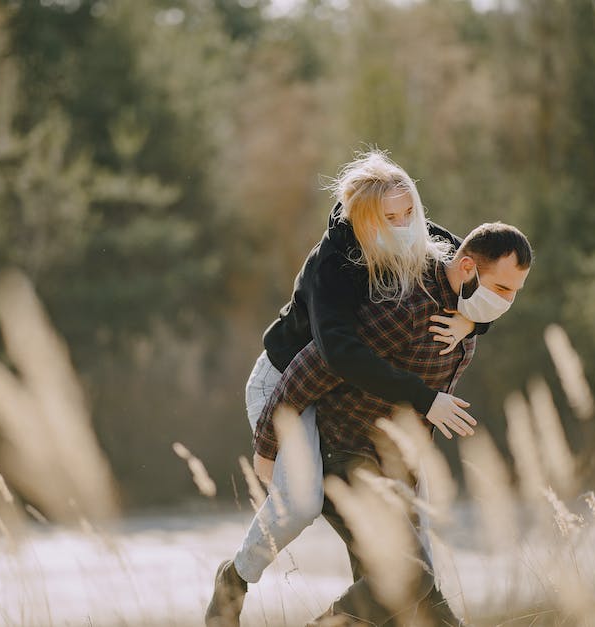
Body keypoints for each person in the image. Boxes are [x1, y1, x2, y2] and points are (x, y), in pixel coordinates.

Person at [206, 151, 489, 626]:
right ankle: (232, 580)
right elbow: (338, 353)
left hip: (345, 391)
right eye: (389, 218)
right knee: (299, 502)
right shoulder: (332, 265)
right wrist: (268, 441)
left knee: (399, 561)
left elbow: (483, 287)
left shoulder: (424, 235)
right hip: (288, 383)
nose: (403, 225)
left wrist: (470, 325)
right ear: (362, 217)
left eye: (409, 213)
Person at [257, 222, 533, 625]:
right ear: (468, 267)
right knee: (409, 575)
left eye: (515, 293)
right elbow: (312, 367)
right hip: (349, 453)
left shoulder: (464, 310)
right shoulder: (408, 307)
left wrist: (474, 323)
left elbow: (475, 305)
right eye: (503, 290)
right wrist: (267, 445)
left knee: (408, 597)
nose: (507, 302)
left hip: (394, 466)